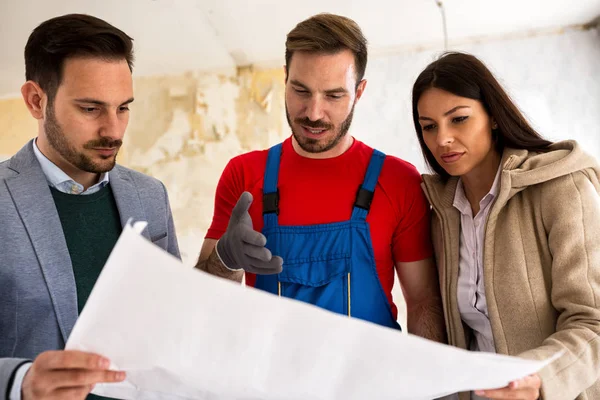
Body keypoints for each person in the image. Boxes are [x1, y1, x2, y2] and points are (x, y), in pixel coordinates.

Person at [195, 13, 446, 340]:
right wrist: (225, 260)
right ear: (285, 79)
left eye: (333, 95)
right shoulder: (243, 175)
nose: (314, 113)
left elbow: (424, 303)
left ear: (358, 92)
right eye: (301, 90)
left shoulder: (398, 180)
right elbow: (201, 304)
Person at [0, 14, 180, 400]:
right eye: (90, 109)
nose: (114, 131)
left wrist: (224, 265)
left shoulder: (151, 195)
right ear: (36, 100)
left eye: (123, 108)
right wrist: (19, 382)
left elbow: (174, 323)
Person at [413, 52, 600, 400]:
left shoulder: (561, 187)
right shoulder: (441, 214)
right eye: (429, 126)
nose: (442, 140)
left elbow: (593, 322)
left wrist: (537, 379)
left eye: (459, 119)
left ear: (494, 116)